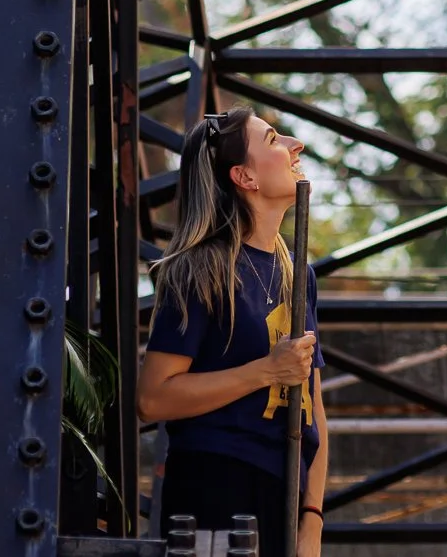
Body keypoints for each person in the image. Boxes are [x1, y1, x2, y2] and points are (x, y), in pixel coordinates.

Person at [138, 107, 327, 557]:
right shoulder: (197, 269)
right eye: (275, 139)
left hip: (285, 495)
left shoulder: (297, 274)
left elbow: (314, 412)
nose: (295, 146)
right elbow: (153, 399)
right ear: (245, 177)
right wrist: (265, 371)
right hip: (213, 490)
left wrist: (313, 521)